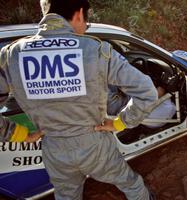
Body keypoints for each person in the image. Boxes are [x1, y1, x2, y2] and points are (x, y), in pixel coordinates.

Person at [0, 0, 158, 199]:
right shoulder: (97, 50)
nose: (85, 28)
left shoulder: (10, 55)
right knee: (130, 183)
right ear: (79, 14)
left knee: (66, 196)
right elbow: (147, 91)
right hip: (95, 144)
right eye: (87, 23)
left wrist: (18, 134)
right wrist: (120, 122)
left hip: (54, 149)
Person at [107, 85, 177, 129]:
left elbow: (159, 91)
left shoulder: (168, 107)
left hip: (120, 105)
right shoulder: (167, 110)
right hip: (118, 110)